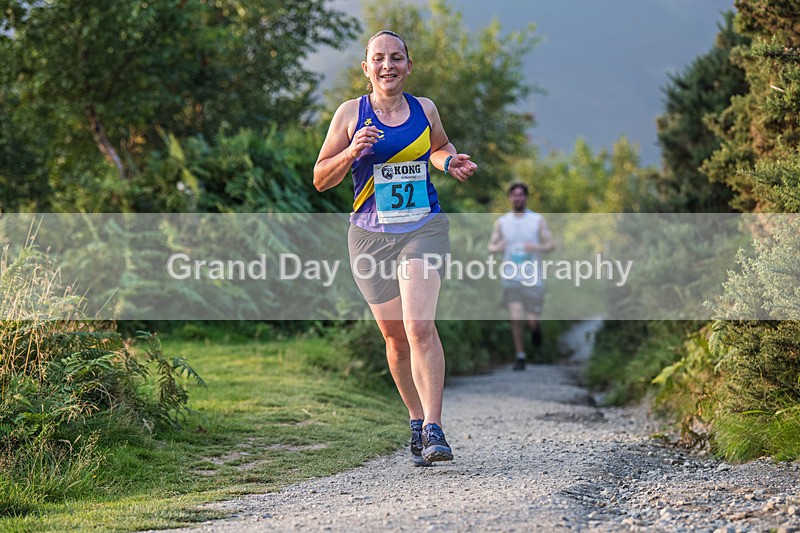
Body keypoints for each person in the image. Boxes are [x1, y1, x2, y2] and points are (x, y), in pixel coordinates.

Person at [313, 30, 477, 466]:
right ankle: (416, 418)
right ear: (366, 68)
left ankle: (435, 428)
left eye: (397, 57)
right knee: (395, 338)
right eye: (379, 58)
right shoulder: (350, 114)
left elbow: (438, 146)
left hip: (423, 228)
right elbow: (321, 178)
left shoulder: (425, 109)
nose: (388, 65)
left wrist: (449, 161)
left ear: (408, 65)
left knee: (418, 325)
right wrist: (351, 152)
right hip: (369, 237)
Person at [487, 182, 555, 371]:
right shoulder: (502, 222)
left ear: (526, 197)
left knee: (532, 321)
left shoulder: (537, 220)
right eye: (514, 195)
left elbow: (551, 244)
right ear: (510, 198)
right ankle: (520, 355)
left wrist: (537, 247)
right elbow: (491, 246)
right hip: (511, 277)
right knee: (515, 315)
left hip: (533, 277)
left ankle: (536, 330)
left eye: (521, 195)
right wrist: (497, 248)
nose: (518, 198)